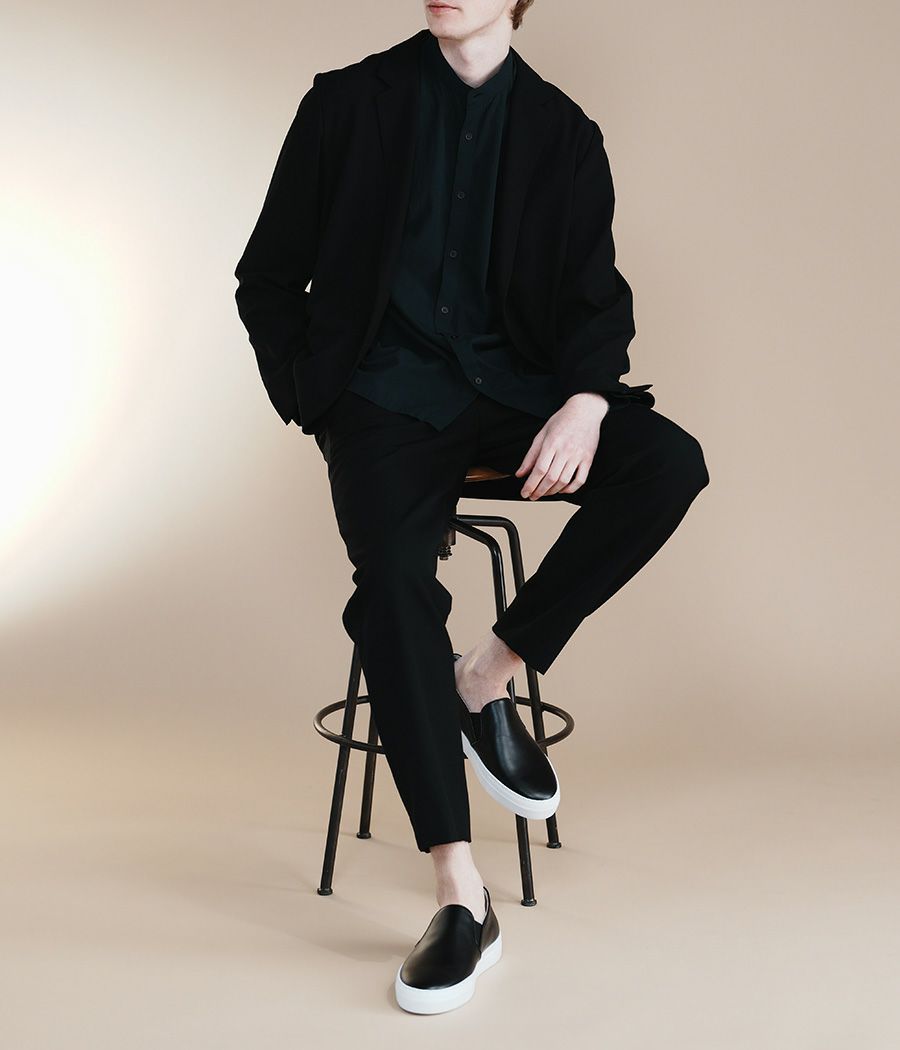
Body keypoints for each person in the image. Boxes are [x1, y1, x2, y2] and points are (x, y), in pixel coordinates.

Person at [234, 0, 710, 1015]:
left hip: (509, 393)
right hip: (382, 401)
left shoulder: (563, 134)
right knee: (393, 587)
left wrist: (586, 401)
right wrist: (317, 401)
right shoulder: (347, 105)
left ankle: (482, 678)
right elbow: (266, 277)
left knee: (669, 464)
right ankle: (461, 894)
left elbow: (593, 297)